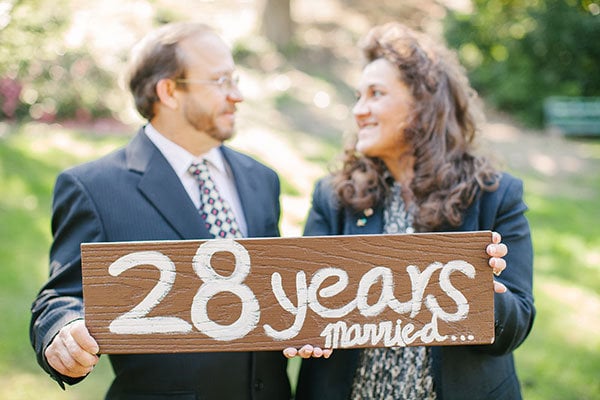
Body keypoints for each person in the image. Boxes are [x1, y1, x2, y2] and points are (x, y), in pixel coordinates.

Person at [30, 22, 292, 399]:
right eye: (220, 81)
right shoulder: (93, 188)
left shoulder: (261, 179)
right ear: (169, 91)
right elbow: (61, 297)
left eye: (235, 80)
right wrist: (64, 332)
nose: (237, 95)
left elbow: (271, 294)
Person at [288, 22, 534, 400]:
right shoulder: (333, 197)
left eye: (376, 94)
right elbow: (303, 308)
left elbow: (515, 326)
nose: (359, 111)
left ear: (422, 104)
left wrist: (482, 294)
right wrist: (304, 330)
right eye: (358, 96)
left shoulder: (494, 195)